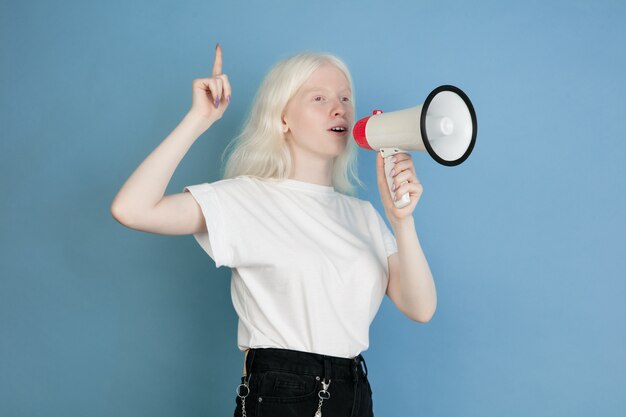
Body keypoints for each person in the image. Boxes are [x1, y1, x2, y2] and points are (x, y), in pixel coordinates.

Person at [111, 43, 436, 417]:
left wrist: (401, 220)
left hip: (353, 392)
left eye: (346, 98)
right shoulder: (246, 199)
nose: (339, 108)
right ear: (283, 118)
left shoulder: (362, 215)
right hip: (284, 393)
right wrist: (199, 119)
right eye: (319, 97)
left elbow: (421, 307)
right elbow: (131, 209)